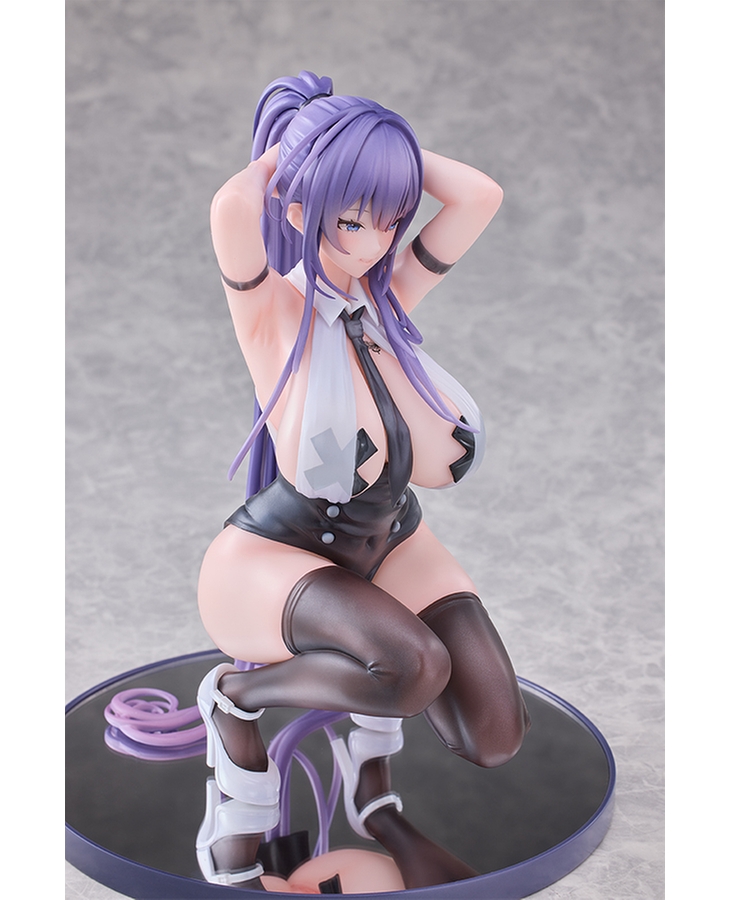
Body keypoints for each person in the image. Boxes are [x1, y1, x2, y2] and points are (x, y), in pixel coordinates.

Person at [196, 70, 529, 891]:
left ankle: (367, 768)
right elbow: (233, 208)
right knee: (412, 669)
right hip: (281, 552)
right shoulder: (272, 312)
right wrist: (303, 152)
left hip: (391, 536)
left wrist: (383, 150)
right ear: (301, 210)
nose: (376, 241)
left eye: (390, 219)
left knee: (494, 734)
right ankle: (236, 699)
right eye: (352, 219)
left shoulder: (388, 297)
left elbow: (480, 195)